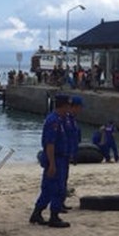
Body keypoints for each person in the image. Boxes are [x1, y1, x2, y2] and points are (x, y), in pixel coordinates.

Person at [30, 94, 72, 228]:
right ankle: (54, 216)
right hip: (55, 158)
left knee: (48, 188)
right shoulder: (53, 120)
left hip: (60, 157)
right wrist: (52, 164)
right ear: (64, 105)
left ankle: (37, 213)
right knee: (57, 188)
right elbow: (50, 144)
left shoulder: (61, 119)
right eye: (68, 105)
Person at [62, 95, 84, 210]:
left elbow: (75, 138)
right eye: (80, 107)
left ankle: (61, 202)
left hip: (68, 154)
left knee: (64, 179)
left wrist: (74, 155)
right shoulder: (65, 120)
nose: (81, 110)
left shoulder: (72, 120)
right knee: (59, 180)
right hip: (63, 154)